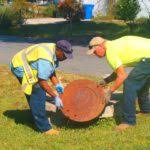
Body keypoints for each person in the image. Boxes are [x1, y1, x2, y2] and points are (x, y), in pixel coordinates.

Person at [87, 36, 150, 131]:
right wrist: (106, 80)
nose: (95, 55)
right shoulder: (113, 45)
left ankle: (128, 121)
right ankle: (146, 111)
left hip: (148, 58)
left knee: (129, 84)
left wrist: (110, 91)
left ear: (100, 46)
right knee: (142, 81)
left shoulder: (110, 53)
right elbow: (119, 71)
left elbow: (122, 76)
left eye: (95, 51)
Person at [11, 40, 73, 135]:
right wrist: (55, 96)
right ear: (59, 50)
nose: (65, 58)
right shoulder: (46, 58)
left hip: (27, 62)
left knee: (35, 94)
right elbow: (42, 81)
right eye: (64, 55)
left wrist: (57, 84)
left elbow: (51, 70)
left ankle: (35, 117)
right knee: (38, 92)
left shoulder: (53, 49)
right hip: (20, 66)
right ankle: (44, 128)